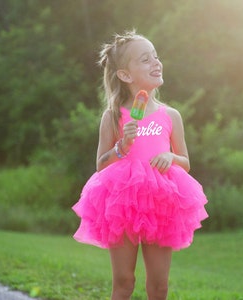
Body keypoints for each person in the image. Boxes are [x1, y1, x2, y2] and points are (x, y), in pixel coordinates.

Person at [72, 29, 208, 300]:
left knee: (158, 286)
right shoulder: (113, 116)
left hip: (161, 201)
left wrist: (170, 157)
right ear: (125, 75)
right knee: (124, 281)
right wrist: (121, 147)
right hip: (121, 201)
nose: (156, 62)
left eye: (156, 57)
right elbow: (100, 164)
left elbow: (186, 162)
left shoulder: (171, 115)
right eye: (145, 59)